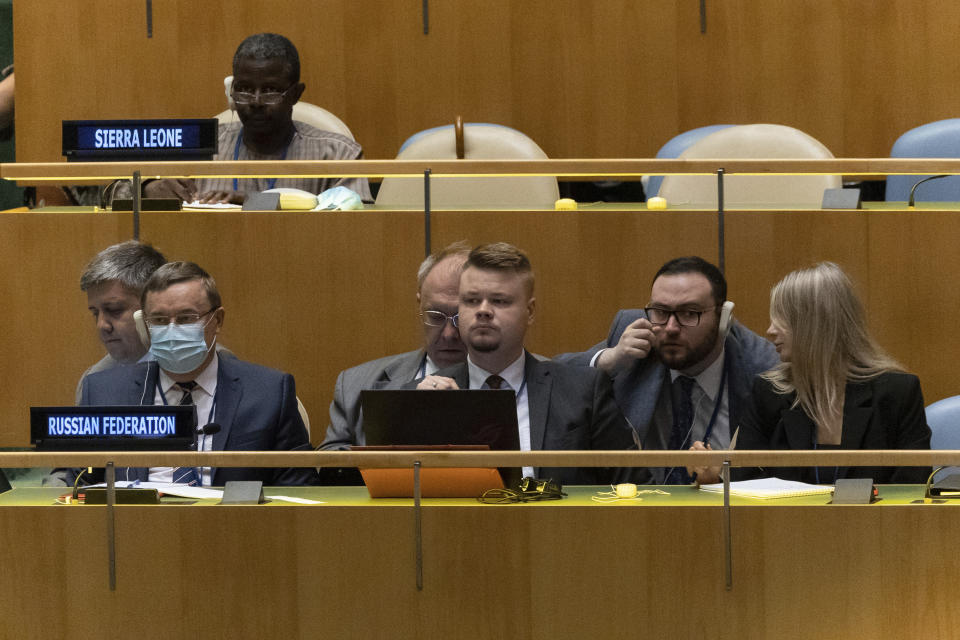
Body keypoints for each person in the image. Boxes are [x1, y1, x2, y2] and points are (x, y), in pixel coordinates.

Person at [415, 242, 642, 485]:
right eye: (471, 300)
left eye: (499, 301)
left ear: (530, 311)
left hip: (557, 522)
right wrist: (419, 419)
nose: (483, 311)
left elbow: (634, 486)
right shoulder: (423, 396)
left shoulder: (583, 392)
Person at [78, 261, 317, 486]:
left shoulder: (268, 393)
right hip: (137, 522)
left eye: (186, 318)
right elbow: (78, 485)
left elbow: (298, 487)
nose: (172, 329)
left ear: (218, 320)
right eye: (159, 320)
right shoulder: (104, 392)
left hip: (234, 523)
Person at [691, 262, 931, 485]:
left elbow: (911, 491)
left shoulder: (897, 393)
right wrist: (716, 480)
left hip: (877, 528)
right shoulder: (768, 393)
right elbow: (746, 483)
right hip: (785, 528)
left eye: (783, 319)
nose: (770, 330)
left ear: (817, 324)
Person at [556, 256, 779, 484]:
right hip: (644, 507)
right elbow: (552, 375)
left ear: (723, 317)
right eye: (661, 312)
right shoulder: (635, 337)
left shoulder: (761, 366)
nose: (671, 328)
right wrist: (609, 360)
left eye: (689, 313)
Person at [141, 33, 371, 204]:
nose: (256, 102)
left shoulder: (338, 154)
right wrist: (147, 189)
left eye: (270, 89)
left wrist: (253, 202)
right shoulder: (202, 146)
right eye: (244, 89)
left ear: (295, 94)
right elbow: (113, 189)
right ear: (232, 91)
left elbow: (357, 220)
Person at [320, 242, 470, 453]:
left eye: (460, 317)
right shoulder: (356, 385)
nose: (449, 334)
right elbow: (330, 470)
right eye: (435, 316)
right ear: (420, 304)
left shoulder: (514, 383)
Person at [76, 240, 167, 403]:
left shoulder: (211, 367)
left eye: (115, 309)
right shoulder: (95, 382)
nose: (102, 325)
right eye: (95, 313)